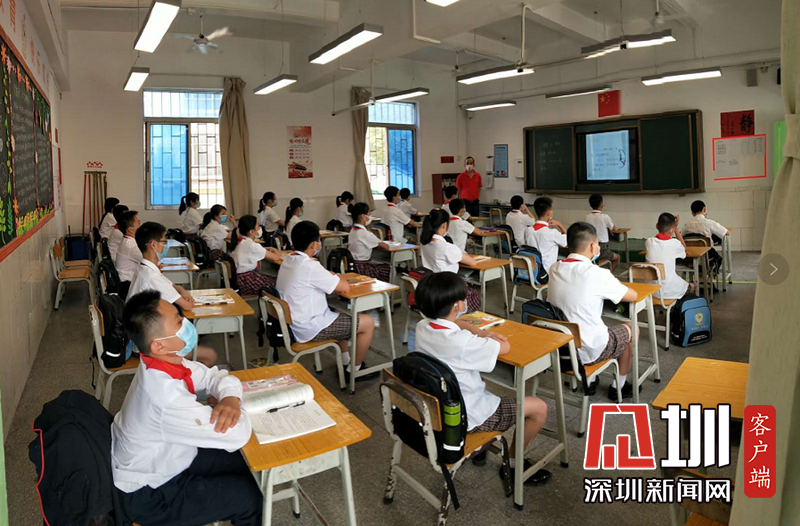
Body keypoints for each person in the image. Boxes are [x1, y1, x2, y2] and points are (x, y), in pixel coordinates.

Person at [113, 291, 261, 526]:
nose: (186, 324)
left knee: (244, 462)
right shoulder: (164, 397)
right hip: (150, 492)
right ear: (159, 345)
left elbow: (216, 376)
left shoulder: (165, 361)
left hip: (170, 457)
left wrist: (231, 399)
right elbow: (238, 433)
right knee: (249, 498)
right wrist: (229, 402)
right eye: (178, 321)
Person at [414, 272, 551, 485]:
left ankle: (481, 450)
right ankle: (513, 464)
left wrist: (478, 331)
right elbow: (504, 347)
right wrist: (485, 335)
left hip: (438, 409)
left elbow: (458, 324)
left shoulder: (423, 326)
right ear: (458, 305)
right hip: (467, 417)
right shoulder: (462, 343)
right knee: (538, 407)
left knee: (483, 384)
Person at [276, 221, 378, 382]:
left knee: (338, 313)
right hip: (310, 327)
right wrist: (333, 275)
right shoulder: (310, 266)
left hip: (295, 324)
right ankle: (355, 370)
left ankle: (345, 360)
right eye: (319, 240)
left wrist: (328, 275)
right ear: (313, 244)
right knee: (368, 323)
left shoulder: (289, 260)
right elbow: (344, 287)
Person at [547, 222, 638, 400]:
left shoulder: (555, 268)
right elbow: (632, 296)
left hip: (560, 347)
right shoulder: (597, 273)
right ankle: (619, 385)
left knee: (587, 320)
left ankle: (592, 378)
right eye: (597, 243)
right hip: (588, 349)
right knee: (631, 328)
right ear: (592, 246)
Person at [129, 221, 217, 367]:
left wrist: (182, 290)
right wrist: (184, 296)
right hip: (147, 345)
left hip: (143, 334)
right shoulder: (152, 276)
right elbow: (187, 306)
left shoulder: (145, 267)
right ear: (153, 244)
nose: (166, 246)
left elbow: (171, 285)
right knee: (209, 355)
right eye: (164, 242)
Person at [420, 209, 482, 312]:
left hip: (430, 287)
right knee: (473, 294)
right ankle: (460, 319)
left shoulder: (425, 243)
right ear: (444, 225)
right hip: (446, 289)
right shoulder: (447, 247)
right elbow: (472, 262)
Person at [230, 215, 284, 295]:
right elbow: (275, 257)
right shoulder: (252, 246)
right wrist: (275, 250)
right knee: (279, 283)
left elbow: (254, 250)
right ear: (251, 232)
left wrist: (267, 248)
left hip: (241, 279)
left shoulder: (242, 241)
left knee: (274, 279)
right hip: (247, 281)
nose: (260, 229)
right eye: (258, 226)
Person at [645, 213, 696, 299]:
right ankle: (678, 306)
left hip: (650, 291)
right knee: (692, 287)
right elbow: (684, 248)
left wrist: (674, 227)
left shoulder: (649, 242)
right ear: (672, 230)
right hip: (668, 291)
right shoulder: (675, 244)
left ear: (656, 226)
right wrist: (676, 228)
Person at [348, 202, 392, 282]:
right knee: (387, 268)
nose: (370, 216)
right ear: (362, 216)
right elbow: (387, 247)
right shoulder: (365, 234)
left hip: (353, 265)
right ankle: (387, 288)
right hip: (362, 268)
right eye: (369, 213)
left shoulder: (352, 230)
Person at [524, 197, 566, 273]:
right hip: (547, 272)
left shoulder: (528, 230)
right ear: (549, 213)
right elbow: (568, 241)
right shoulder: (552, 232)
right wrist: (559, 224)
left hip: (532, 270)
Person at [585, 193, 620, 272]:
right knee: (617, 257)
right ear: (601, 204)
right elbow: (614, 229)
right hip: (603, 249)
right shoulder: (605, 217)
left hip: (591, 249)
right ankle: (609, 275)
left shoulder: (587, 217)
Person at [114, 210, 142, 287]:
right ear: (130, 229)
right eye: (139, 223)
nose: (141, 226)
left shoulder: (128, 240)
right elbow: (151, 260)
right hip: (128, 285)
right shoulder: (130, 245)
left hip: (130, 282)